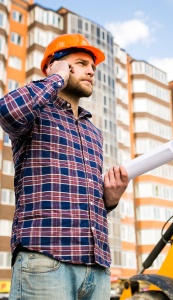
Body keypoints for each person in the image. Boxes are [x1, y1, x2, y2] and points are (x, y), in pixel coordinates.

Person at [0, 33, 129, 300]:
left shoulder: (93, 132)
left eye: (93, 67)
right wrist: (55, 79)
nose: (91, 71)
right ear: (53, 65)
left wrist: (110, 200)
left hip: (97, 269)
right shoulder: (36, 114)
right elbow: (7, 111)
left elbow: (86, 200)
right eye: (81, 63)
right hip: (46, 260)